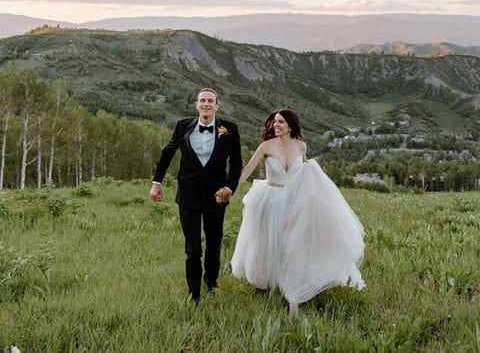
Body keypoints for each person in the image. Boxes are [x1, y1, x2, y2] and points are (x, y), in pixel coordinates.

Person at [229, 108, 365, 315]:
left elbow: (307, 172)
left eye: (281, 122)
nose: (276, 125)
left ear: (290, 125)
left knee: (295, 246)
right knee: (270, 244)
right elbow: (247, 170)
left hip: (296, 202)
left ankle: (293, 294)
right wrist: (230, 188)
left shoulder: (301, 146)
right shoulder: (266, 146)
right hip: (271, 201)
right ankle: (270, 281)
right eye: (274, 122)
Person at [150, 88, 242, 303]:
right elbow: (168, 153)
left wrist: (229, 188)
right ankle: (194, 295)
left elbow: (236, 163)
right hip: (188, 196)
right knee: (192, 249)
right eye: (203, 100)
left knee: (214, 243)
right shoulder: (183, 126)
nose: (206, 104)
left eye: (210, 101)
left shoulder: (230, 129)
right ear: (196, 105)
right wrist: (156, 182)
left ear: (217, 105)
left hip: (216, 197)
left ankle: (211, 283)